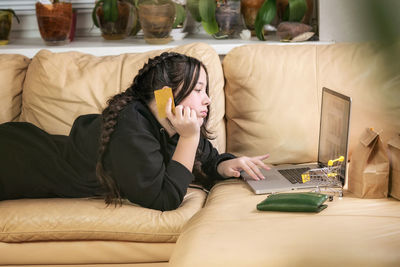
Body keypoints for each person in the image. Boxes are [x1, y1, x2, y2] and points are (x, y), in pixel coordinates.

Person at [0, 52, 269, 211]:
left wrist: (227, 166)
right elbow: (164, 198)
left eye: (205, 90)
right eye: (198, 90)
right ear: (165, 97)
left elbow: (208, 159)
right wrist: (189, 136)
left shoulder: (174, 128)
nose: (208, 99)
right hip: (16, 160)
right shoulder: (132, 125)